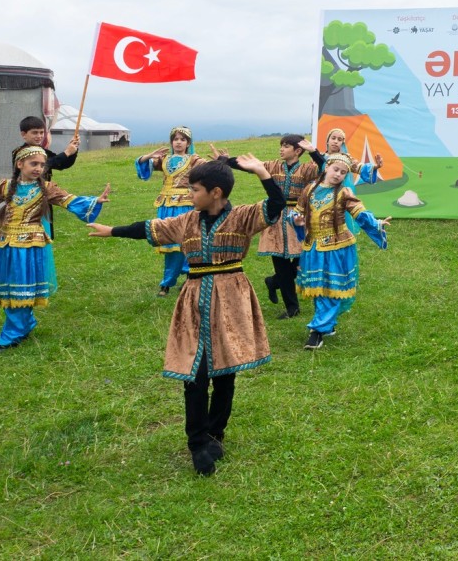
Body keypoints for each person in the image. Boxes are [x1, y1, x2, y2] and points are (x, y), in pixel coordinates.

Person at [87, 155, 284, 476]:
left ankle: (215, 433)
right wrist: (112, 230)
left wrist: (262, 172)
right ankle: (196, 442)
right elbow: (151, 228)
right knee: (195, 375)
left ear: (216, 192)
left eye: (194, 189)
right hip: (194, 302)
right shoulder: (186, 221)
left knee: (225, 372)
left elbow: (275, 205)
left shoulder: (243, 218)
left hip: (232, 299)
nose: (189, 195)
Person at [0, 144, 110, 351]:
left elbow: (69, 200)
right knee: (11, 288)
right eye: (33, 163)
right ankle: (24, 324)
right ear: (20, 164)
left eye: (42, 165)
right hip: (6, 245)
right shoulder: (6, 186)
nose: (38, 168)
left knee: (21, 288)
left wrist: (95, 201)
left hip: (30, 246)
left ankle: (11, 335)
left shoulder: (46, 189)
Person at [213, 136, 323, 320]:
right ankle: (292, 307)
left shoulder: (307, 168)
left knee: (302, 261)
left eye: (286, 146)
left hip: (299, 218)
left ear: (297, 151)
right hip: (276, 218)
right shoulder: (273, 166)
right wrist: (226, 161)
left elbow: (324, 169)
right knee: (280, 264)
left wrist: (314, 152)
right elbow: (250, 166)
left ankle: (273, 282)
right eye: (281, 145)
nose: (281, 149)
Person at [293, 154, 390, 350]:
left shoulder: (344, 192)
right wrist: (296, 220)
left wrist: (376, 223)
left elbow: (359, 213)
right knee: (318, 288)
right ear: (326, 168)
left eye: (343, 172)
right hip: (313, 247)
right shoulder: (309, 190)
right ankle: (326, 324)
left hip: (338, 248)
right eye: (335, 169)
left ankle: (317, 331)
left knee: (331, 287)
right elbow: (298, 212)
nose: (338, 174)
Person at [136, 126, 199, 295]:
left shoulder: (193, 159)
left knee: (187, 242)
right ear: (172, 142)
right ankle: (167, 282)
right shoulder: (164, 159)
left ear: (188, 143)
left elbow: (210, 169)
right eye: (175, 139)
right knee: (169, 241)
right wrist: (150, 155)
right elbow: (142, 164)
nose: (178, 142)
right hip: (165, 206)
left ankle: (189, 277)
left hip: (186, 205)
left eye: (182, 139)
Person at [15, 116, 79, 182]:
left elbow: (62, 164)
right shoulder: (19, 153)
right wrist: (67, 152)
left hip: (44, 190)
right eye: (35, 133)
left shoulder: (44, 151)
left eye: (41, 132)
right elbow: (48, 163)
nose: (39, 136)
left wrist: (73, 149)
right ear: (23, 134)